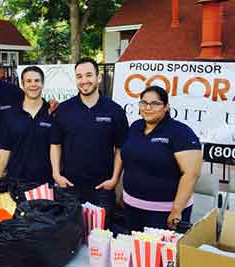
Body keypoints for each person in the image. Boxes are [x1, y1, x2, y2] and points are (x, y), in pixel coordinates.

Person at [50, 58, 129, 227]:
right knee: (68, 234)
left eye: (88, 75)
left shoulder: (114, 110)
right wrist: (57, 174)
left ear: (98, 77)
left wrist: (114, 179)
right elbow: (55, 143)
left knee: (99, 236)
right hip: (69, 185)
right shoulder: (63, 110)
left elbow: (120, 148)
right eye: (79, 76)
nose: (84, 80)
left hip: (102, 187)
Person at [120, 85, 202, 230]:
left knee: (161, 253)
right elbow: (129, 161)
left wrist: (177, 210)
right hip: (132, 208)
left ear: (166, 107)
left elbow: (191, 174)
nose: (148, 107)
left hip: (164, 213)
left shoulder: (181, 133)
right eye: (143, 103)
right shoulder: (135, 127)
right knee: (135, 251)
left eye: (155, 103)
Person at [0, 66, 52, 184]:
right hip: (16, 180)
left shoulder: (52, 113)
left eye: (37, 81)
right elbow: (5, 149)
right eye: (29, 81)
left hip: (45, 183)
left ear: (42, 84)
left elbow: (58, 148)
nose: (33, 85)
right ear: (22, 84)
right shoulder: (10, 114)